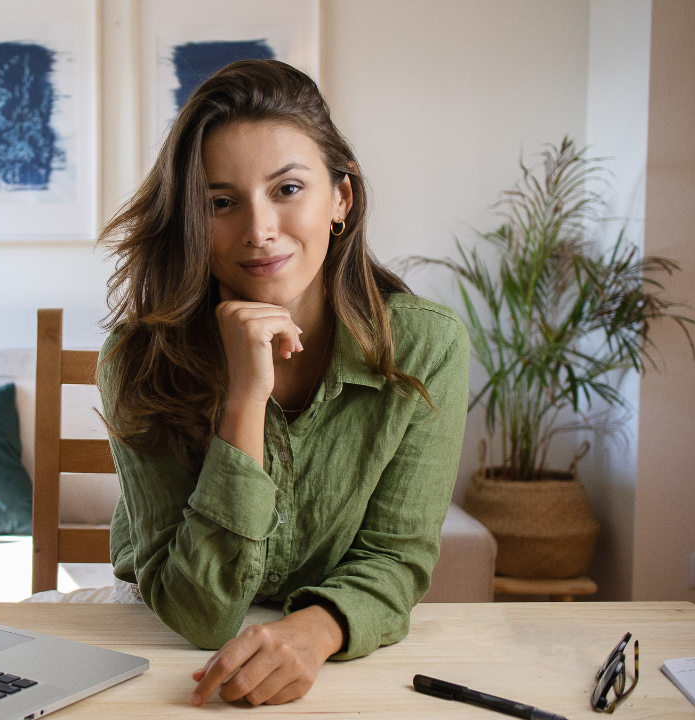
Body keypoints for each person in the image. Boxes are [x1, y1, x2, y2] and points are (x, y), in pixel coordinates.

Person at [96, 59, 469, 707]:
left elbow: (395, 558)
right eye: (221, 202)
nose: (259, 230)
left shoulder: (425, 345)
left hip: (341, 665)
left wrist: (314, 632)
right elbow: (199, 615)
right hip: (163, 658)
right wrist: (244, 399)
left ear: (341, 200)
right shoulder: (137, 359)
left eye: (287, 189)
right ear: (191, 219)